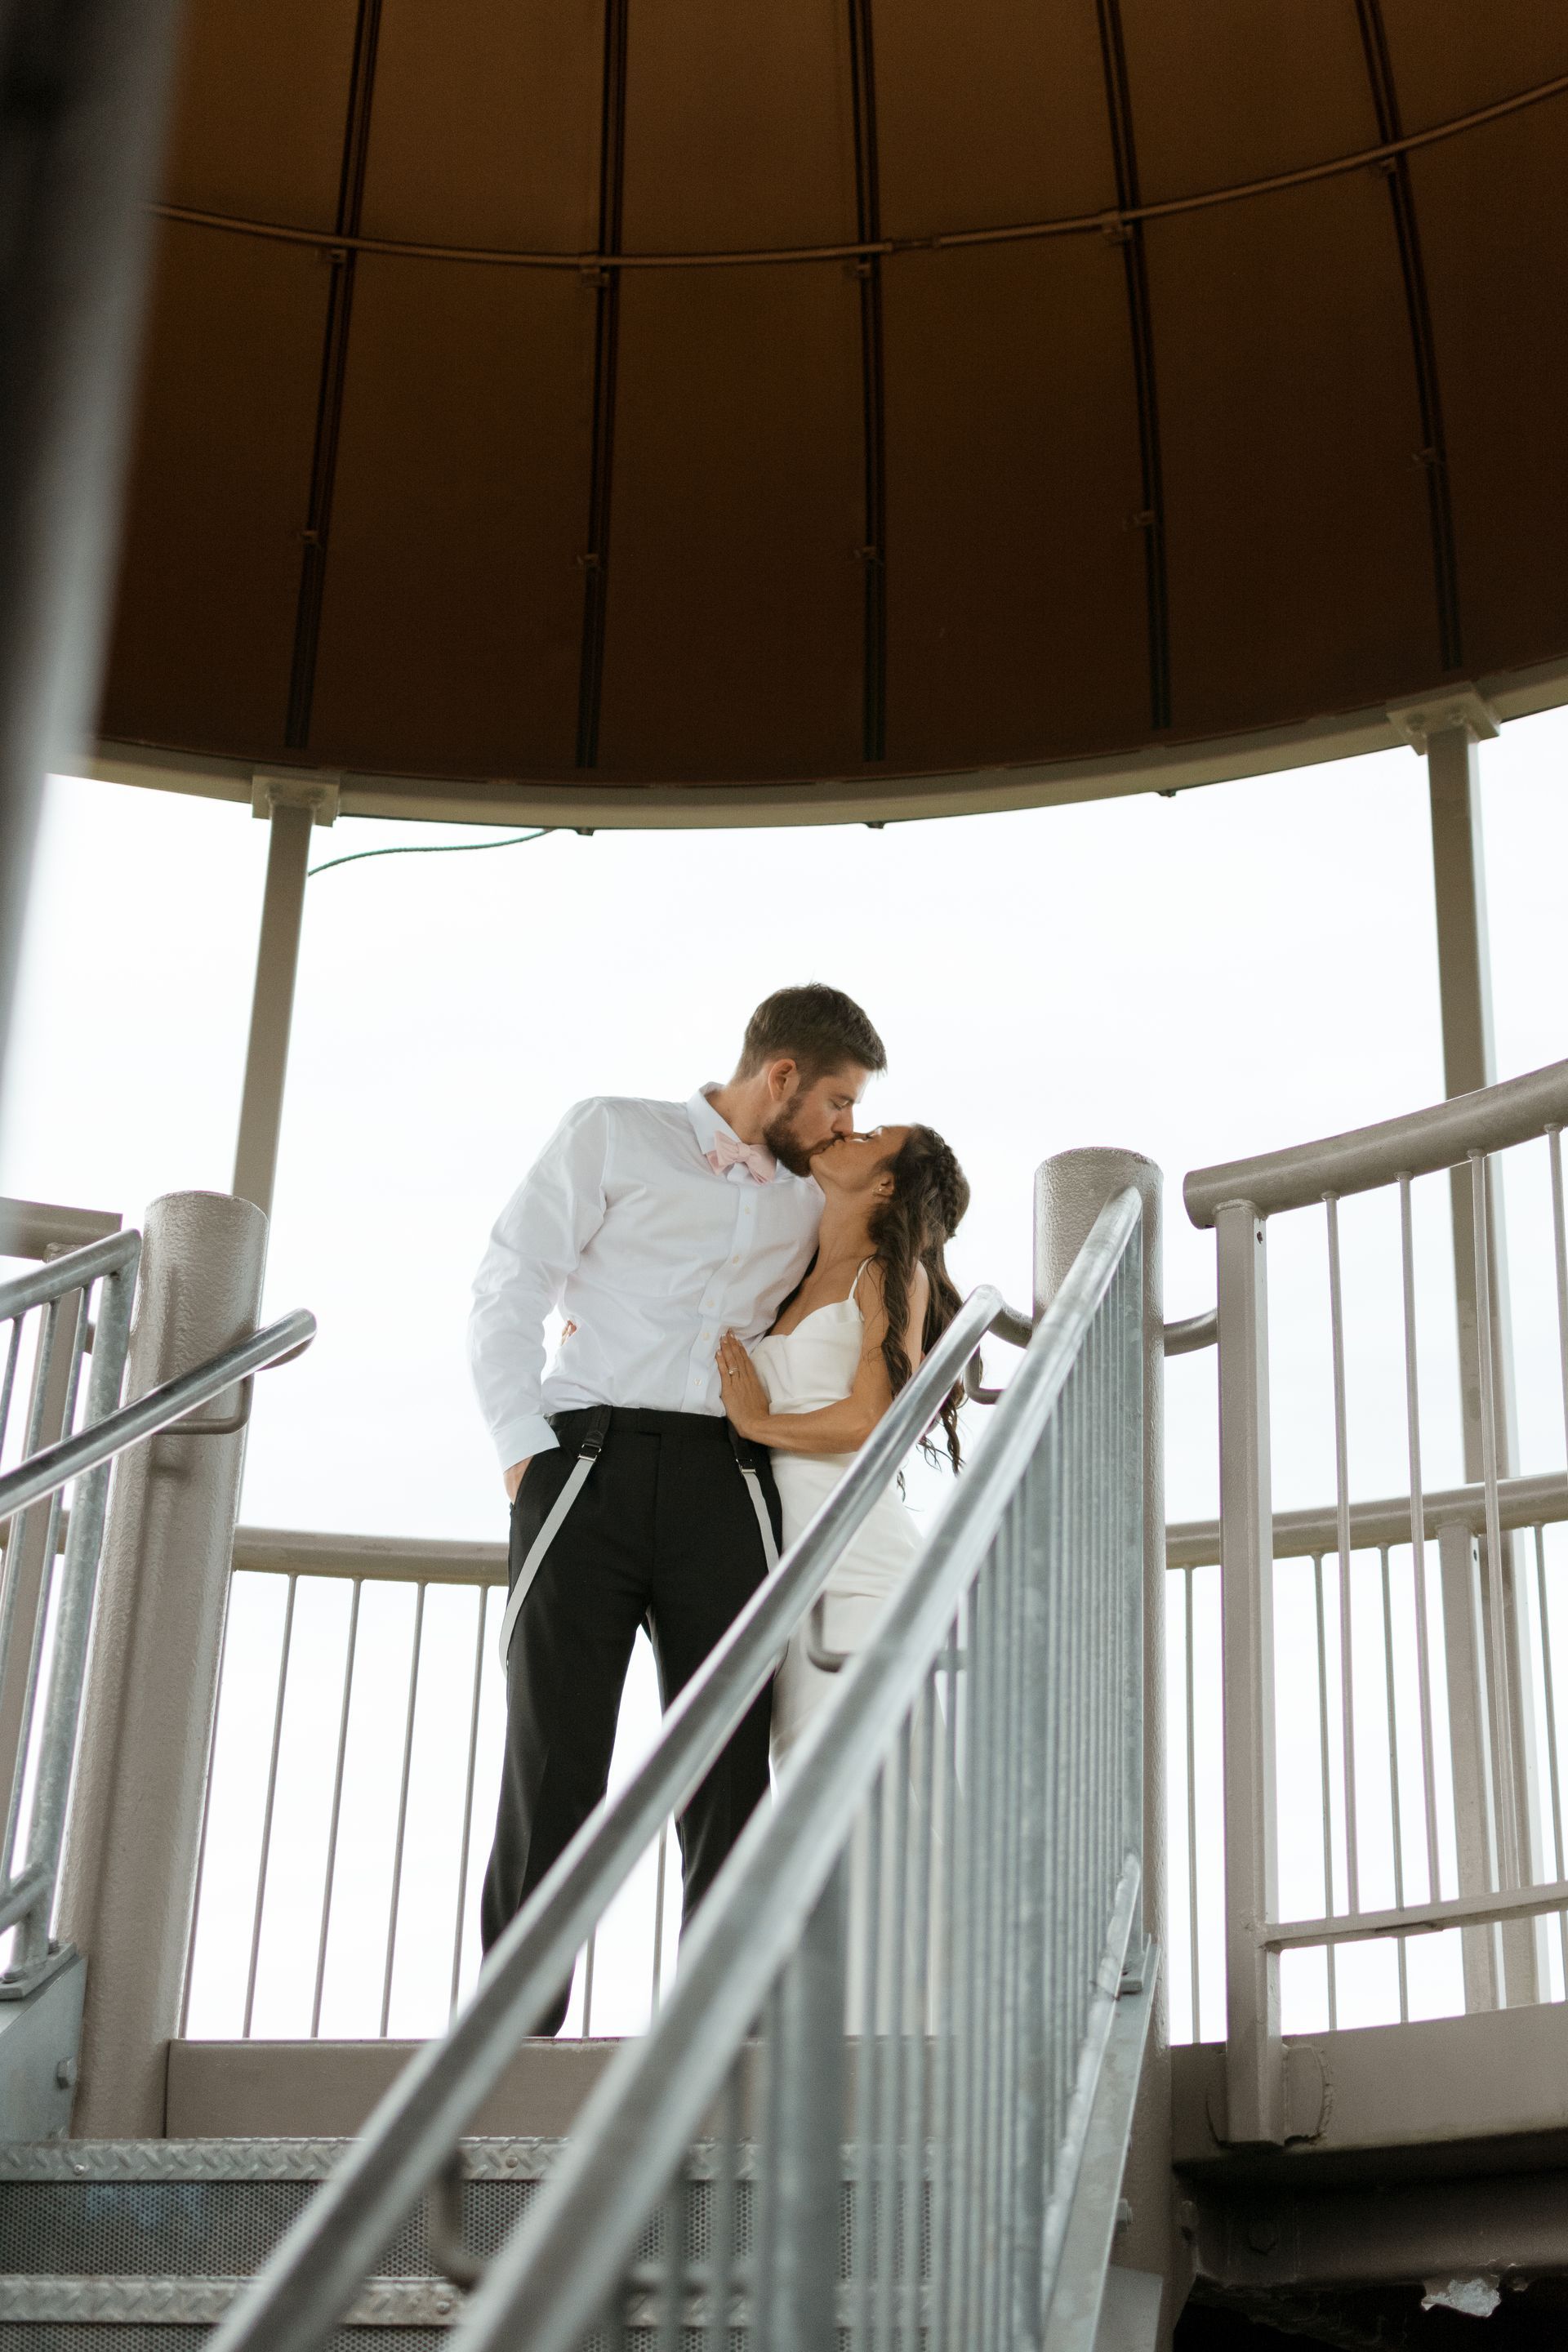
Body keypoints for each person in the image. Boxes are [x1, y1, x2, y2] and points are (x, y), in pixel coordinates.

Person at [468, 982, 887, 2029]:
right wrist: (528, 1455)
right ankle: (513, 2035)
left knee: (731, 1755)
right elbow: (512, 1279)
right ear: (780, 1075)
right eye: (837, 1100)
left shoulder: (815, 1198)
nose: (846, 1124)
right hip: (585, 1467)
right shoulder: (614, 1132)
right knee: (556, 1757)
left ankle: (718, 2033)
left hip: (725, 1481)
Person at [715, 1122, 969, 1763]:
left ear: (885, 1183)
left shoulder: (889, 1274)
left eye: (875, 1135)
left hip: (858, 1565)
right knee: (809, 1793)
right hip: (790, 1581)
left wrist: (760, 1424)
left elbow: (875, 1419)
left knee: (869, 1797)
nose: (850, 1129)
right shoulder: (789, 1274)